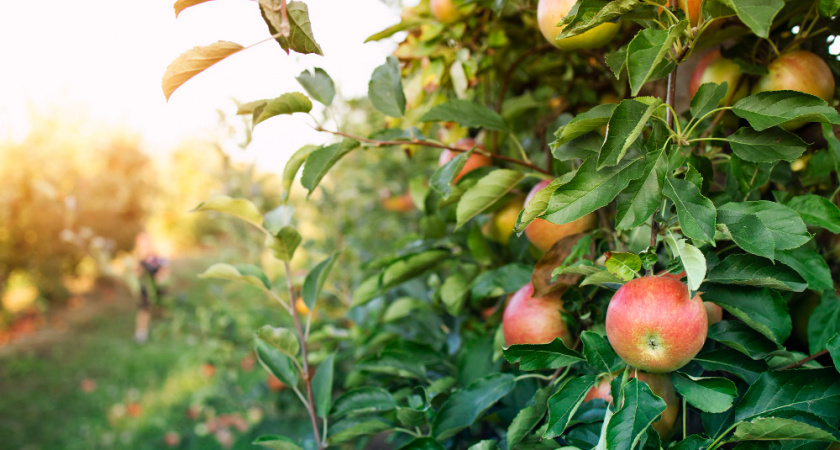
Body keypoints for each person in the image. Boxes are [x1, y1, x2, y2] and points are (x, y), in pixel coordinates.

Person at [133, 232, 168, 344]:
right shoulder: (139, 260)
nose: (145, 248)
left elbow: (164, 270)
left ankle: (163, 328)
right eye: (142, 246)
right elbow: (136, 273)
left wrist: (161, 276)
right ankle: (141, 332)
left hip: (158, 287)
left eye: (147, 245)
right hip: (146, 289)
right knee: (144, 309)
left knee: (162, 307)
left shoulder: (157, 258)